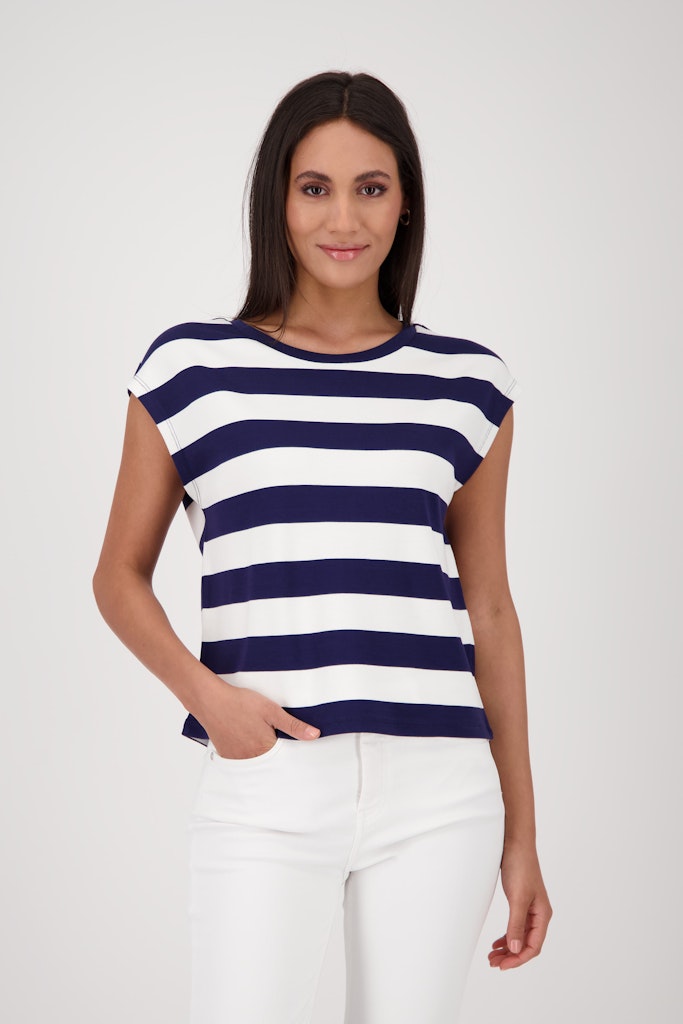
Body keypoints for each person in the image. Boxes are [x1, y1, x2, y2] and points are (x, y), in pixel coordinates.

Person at [92, 70, 552, 1024]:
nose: (344, 218)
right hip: (267, 780)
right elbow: (117, 576)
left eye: (370, 187)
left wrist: (522, 834)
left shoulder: (468, 383)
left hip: (440, 791)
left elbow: (490, 608)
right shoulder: (191, 369)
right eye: (315, 188)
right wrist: (209, 700)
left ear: (404, 201)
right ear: (279, 200)